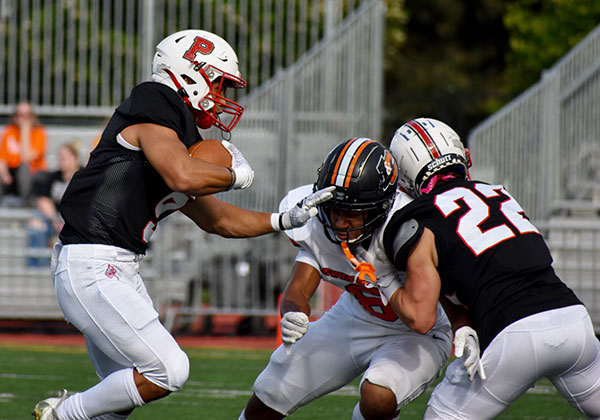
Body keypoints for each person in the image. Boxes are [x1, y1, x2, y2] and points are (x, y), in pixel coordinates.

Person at [32, 29, 333, 420]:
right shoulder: (155, 101)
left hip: (116, 266)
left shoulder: (177, 136)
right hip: (91, 263)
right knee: (168, 369)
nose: (223, 94)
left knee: (118, 400)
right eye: (219, 82)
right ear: (190, 73)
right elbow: (182, 175)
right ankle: (61, 414)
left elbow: (220, 219)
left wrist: (281, 219)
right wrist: (236, 176)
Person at [371, 117, 600, 419]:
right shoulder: (499, 194)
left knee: (443, 414)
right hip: (573, 322)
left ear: (404, 177)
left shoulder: (420, 217)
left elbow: (420, 317)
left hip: (514, 334)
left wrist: (383, 276)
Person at [239, 138, 452, 420]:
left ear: (382, 207)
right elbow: (299, 289)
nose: (340, 222)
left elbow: (421, 316)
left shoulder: (409, 225)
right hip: (355, 317)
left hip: (418, 332)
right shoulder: (316, 224)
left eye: (352, 214)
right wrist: (293, 313)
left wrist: (383, 272)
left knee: (378, 394)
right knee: (272, 389)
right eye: (334, 210)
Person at [27, 140, 82, 266]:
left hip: (75, 221)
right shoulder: (54, 177)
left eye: (64, 158)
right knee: (36, 224)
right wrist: (55, 218)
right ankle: (36, 269)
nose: (60, 161)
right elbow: (43, 199)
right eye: (59, 158)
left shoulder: (83, 177)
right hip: (55, 220)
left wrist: (65, 220)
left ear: (75, 158)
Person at [0, 101, 47, 207]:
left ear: (32, 117)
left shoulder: (39, 132)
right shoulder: (9, 131)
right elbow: (2, 158)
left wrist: (25, 131)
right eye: (19, 115)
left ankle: (26, 204)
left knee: (24, 168)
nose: (22, 119)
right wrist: (4, 174)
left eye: (26, 115)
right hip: (12, 173)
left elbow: (26, 158)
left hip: (32, 174)